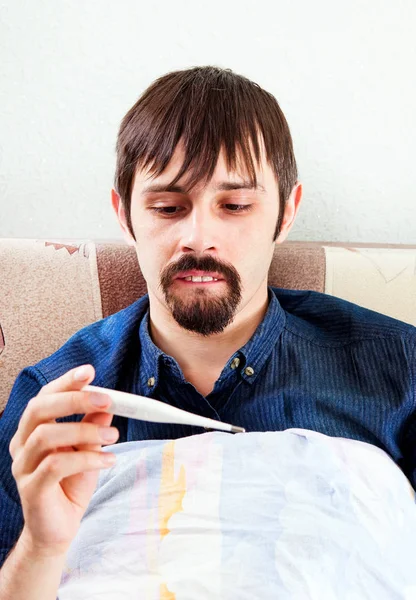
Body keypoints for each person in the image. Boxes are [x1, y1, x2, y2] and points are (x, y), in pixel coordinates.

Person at [0, 65, 415, 599]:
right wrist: (41, 547)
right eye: (168, 207)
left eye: (235, 206)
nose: (200, 237)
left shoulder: (397, 369)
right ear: (125, 214)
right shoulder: (55, 399)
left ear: (285, 213)